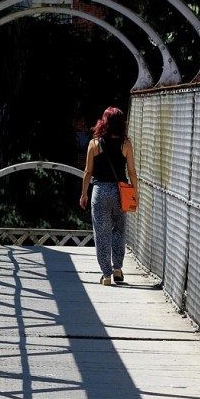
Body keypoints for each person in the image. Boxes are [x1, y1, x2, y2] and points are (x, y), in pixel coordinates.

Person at [79, 106, 139, 285]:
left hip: (100, 192)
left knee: (102, 233)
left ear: (103, 122)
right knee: (119, 230)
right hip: (120, 192)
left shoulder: (94, 143)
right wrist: (135, 192)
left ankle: (106, 275)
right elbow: (132, 172)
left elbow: (88, 172)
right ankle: (118, 268)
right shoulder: (125, 144)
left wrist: (84, 194)